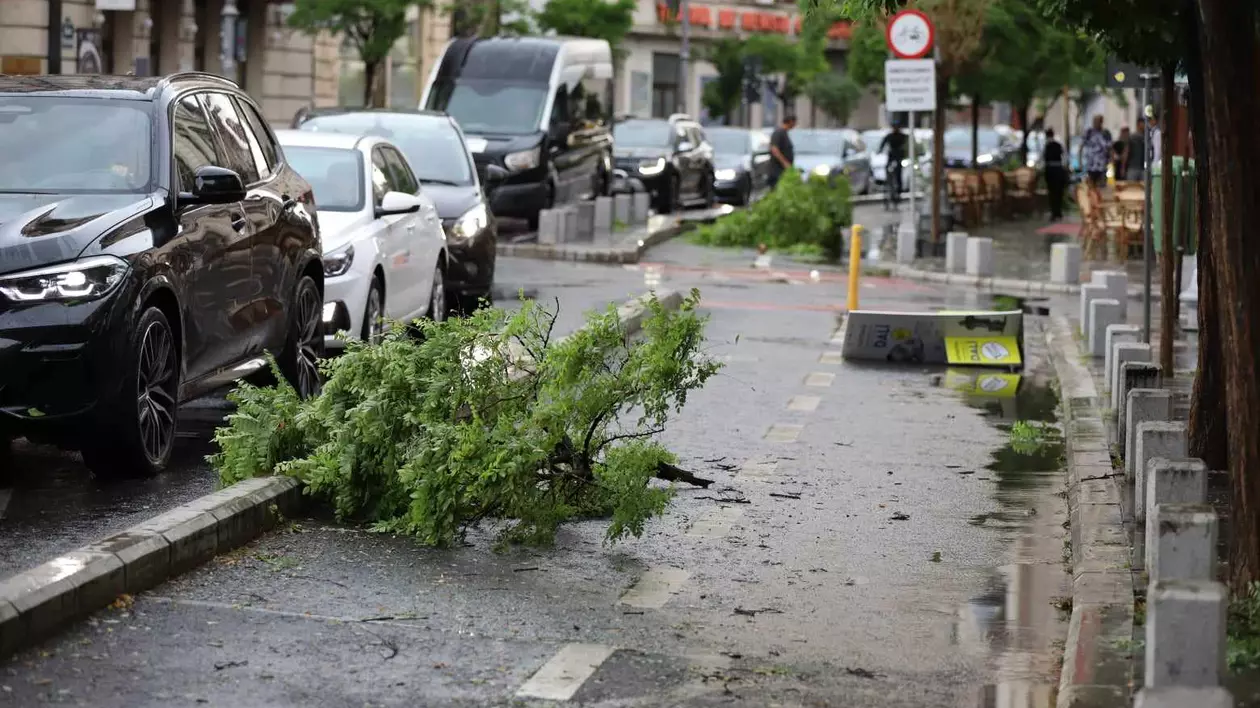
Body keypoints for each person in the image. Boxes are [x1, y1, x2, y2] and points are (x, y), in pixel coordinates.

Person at [878, 123, 910, 209]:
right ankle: (888, 186)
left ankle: (898, 191)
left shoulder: (903, 136)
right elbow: (883, 143)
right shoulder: (889, 136)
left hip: (899, 158)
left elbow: (907, 145)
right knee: (887, 170)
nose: (895, 129)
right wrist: (880, 150)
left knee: (898, 174)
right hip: (891, 157)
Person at [1080, 114, 1112, 187]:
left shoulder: (1106, 133)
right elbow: (1081, 146)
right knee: (1091, 186)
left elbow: (1110, 148)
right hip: (1091, 165)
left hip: (1102, 165)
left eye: (1097, 121)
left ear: (1101, 122)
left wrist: (1111, 163)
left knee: (1102, 186)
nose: (1095, 123)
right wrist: (1080, 162)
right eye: (1094, 122)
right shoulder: (1089, 132)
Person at [1042, 128, 1066, 221]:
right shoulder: (1059, 145)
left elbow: (1043, 159)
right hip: (1059, 169)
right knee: (1059, 191)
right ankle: (1058, 211)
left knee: (1052, 191)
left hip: (1050, 170)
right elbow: (1064, 157)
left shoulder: (1046, 146)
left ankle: (1054, 212)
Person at [767, 114, 796, 189]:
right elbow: (774, 149)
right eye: (794, 122)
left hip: (782, 171)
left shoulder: (784, 133)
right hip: (777, 171)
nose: (795, 125)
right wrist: (785, 163)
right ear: (790, 122)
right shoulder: (779, 132)